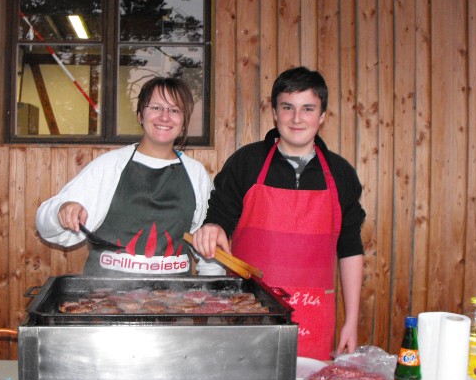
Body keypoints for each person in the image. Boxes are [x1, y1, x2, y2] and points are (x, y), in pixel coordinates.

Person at [192, 66, 365, 360]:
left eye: (308, 108)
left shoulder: (341, 173)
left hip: (313, 319)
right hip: (249, 312)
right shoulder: (246, 162)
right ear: (275, 113)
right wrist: (212, 228)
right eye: (287, 107)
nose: (297, 118)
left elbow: (350, 250)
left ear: (322, 116)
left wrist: (351, 321)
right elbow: (219, 217)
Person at [36, 76, 221, 276]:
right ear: (140, 115)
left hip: (176, 294)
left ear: (184, 121)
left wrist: (212, 288)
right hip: (105, 291)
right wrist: (62, 211)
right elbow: (45, 225)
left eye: (175, 110)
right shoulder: (110, 165)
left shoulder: (196, 174)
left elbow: (209, 250)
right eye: (156, 107)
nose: (165, 117)